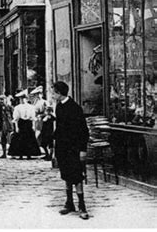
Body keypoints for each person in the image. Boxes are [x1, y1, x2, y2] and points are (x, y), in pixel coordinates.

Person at [52, 81, 90, 220]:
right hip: (62, 148)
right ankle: (69, 203)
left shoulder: (75, 108)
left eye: (53, 92)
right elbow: (60, 128)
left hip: (74, 148)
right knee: (66, 174)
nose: (52, 95)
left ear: (59, 93)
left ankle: (82, 205)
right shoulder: (59, 106)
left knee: (77, 176)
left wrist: (83, 150)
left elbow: (83, 131)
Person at [8, 89, 41, 159]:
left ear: (26, 98)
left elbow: (33, 117)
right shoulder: (17, 107)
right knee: (20, 139)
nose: (22, 100)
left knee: (29, 138)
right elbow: (16, 118)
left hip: (28, 123)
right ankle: (20, 154)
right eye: (21, 98)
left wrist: (33, 126)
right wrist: (16, 127)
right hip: (21, 123)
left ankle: (29, 154)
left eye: (24, 98)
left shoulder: (31, 107)